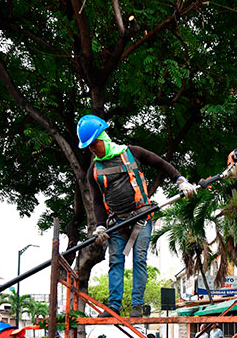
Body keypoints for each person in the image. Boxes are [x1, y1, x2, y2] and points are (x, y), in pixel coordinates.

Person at [77, 115, 198, 318]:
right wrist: (99, 226)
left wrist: (180, 180)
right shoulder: (94, 171)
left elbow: (160, 163)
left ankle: (137, 306)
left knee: (139, 259)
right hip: (116, 223)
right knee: (115, 261)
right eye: (88, 147)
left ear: (103, 138)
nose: (91, 149)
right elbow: (97, 202)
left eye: (93, 144)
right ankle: (113, 307)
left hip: (141, 217)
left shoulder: (131, 152)